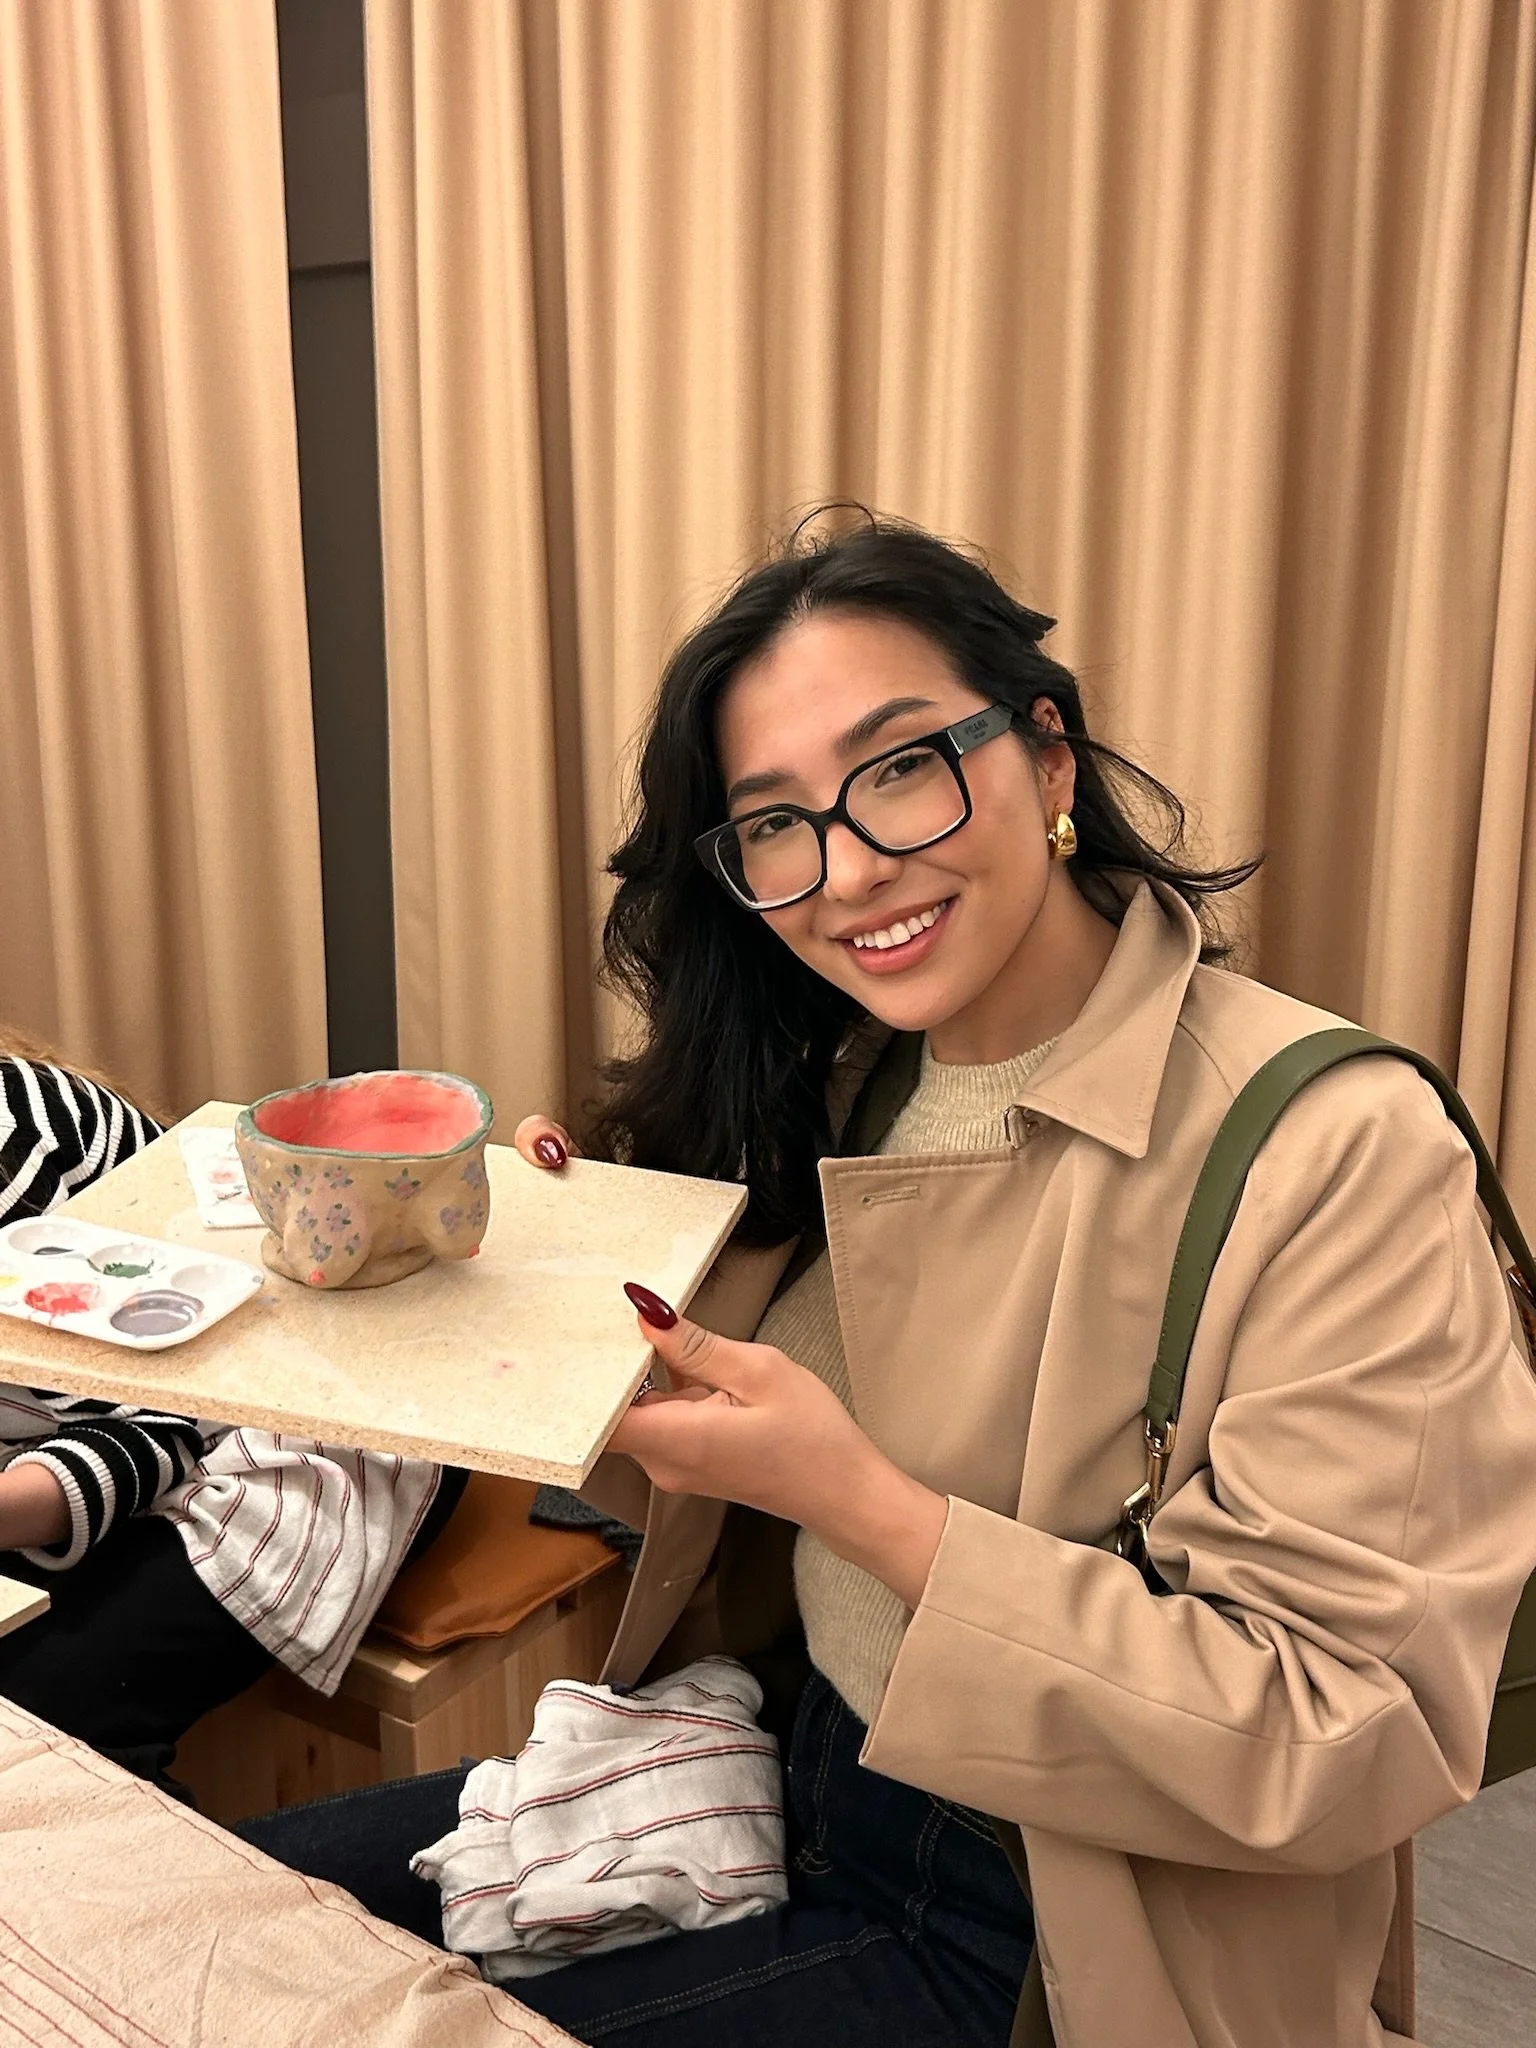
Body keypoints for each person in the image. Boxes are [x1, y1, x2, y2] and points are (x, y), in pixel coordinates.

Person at [238, 516, 1536, 2048]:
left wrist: (861, 1500)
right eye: (773, 820)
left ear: (1048, 761)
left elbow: (1344, 1737)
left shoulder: (1336, 1148)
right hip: (776, 1757)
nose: (848, 870)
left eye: (901, 766)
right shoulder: (850, 1072)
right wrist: (574, 1277)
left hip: (1057, 1917)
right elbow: (679, 1509)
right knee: (217, 1916)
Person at [0, 1032, 464, 1790]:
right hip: (93, 1443)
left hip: (296, 1425)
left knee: (43, 1730)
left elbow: (166, 1420)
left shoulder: (17, 1137)